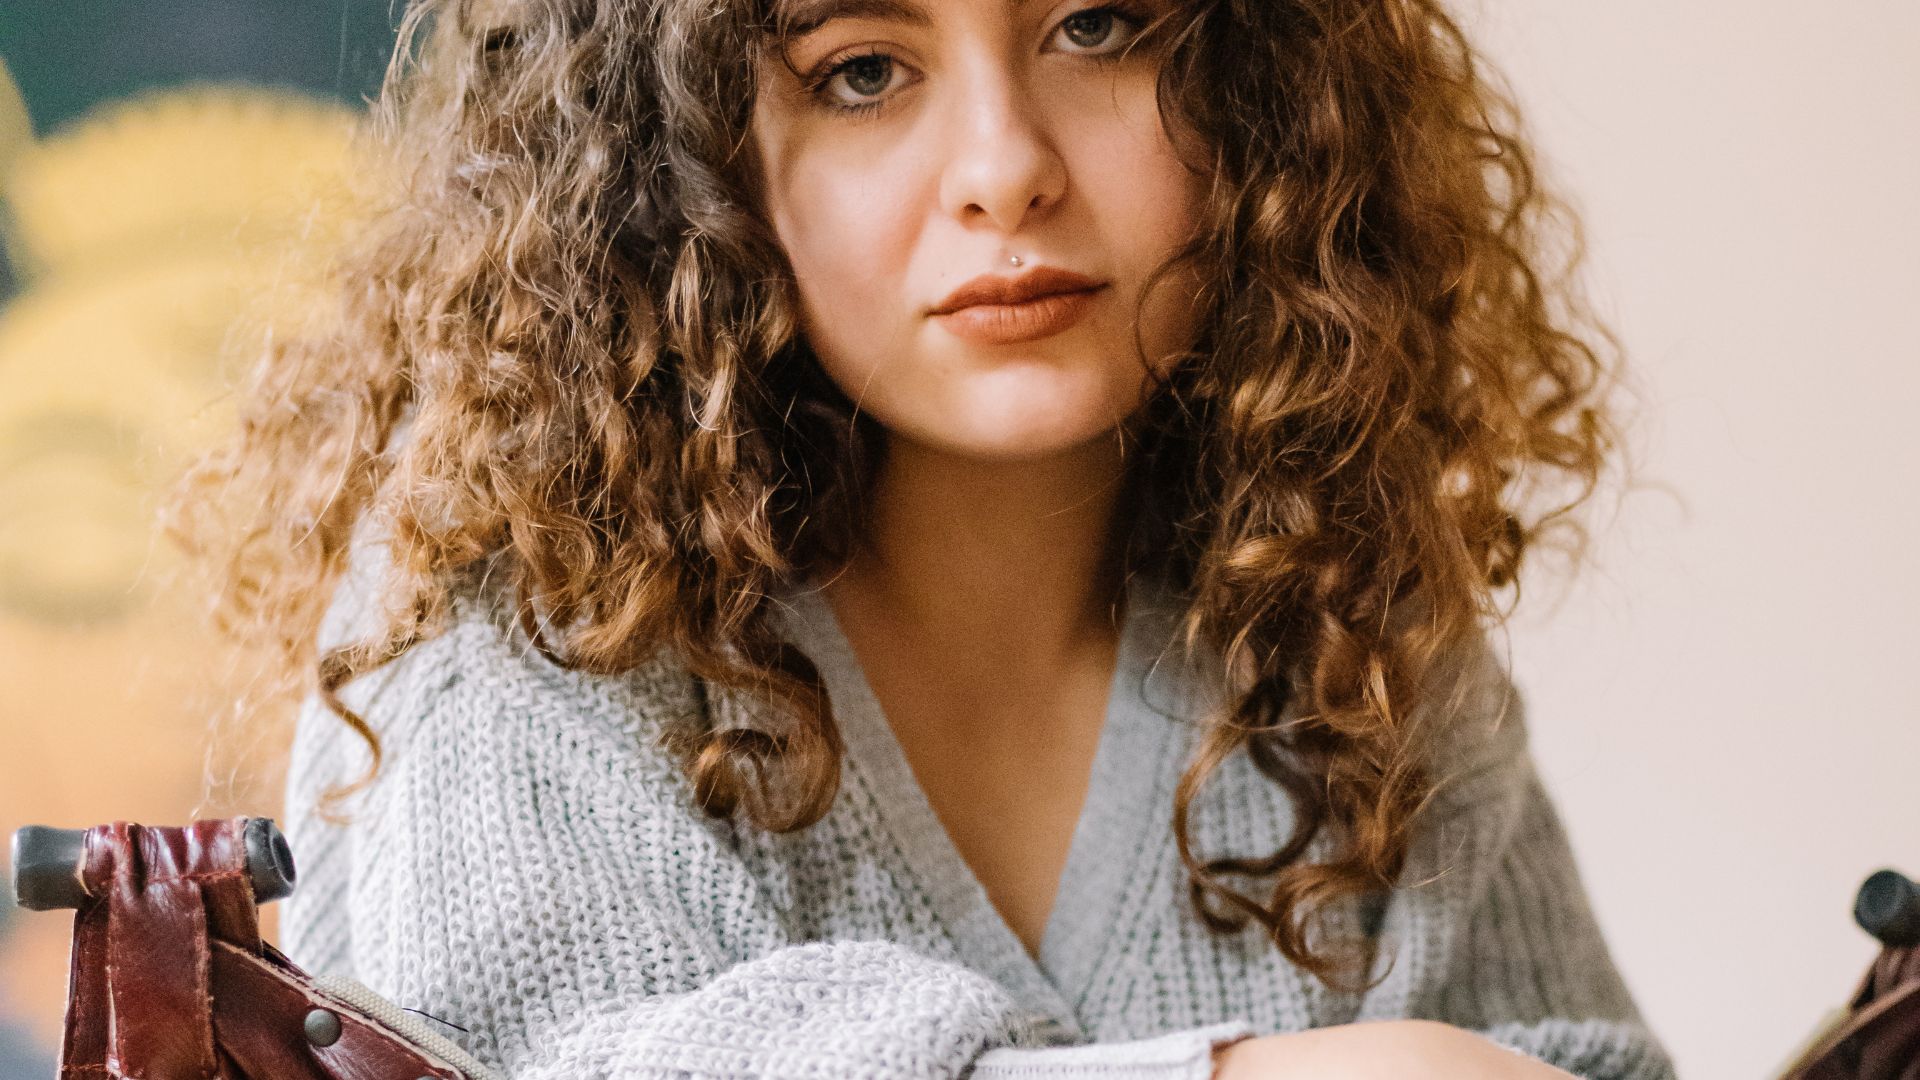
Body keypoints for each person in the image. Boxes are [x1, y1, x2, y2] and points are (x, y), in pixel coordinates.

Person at [174, 0, 1679, 1076]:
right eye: (864, 68)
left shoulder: (1333, 610)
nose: (1005, 165)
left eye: (1099, 28)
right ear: (676, 161)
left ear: (1260, 94)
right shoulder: (524, 602)